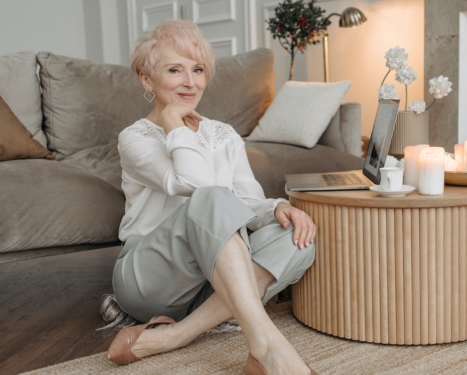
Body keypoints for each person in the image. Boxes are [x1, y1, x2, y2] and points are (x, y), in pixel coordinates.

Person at [102, 19, 318, 375]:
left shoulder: (224, 135)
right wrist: (174, 124)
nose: (190, 82)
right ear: (146, 78)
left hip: (211, 283)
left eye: (198, 69)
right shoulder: (135, 138)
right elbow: (197, 185)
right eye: (175, 70)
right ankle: (267, 345)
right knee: (212, 198)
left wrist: (279, 207)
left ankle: (177, 335)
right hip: (151, 278)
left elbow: (246, 202)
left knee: (299, 240)